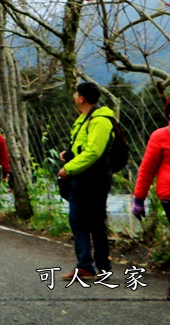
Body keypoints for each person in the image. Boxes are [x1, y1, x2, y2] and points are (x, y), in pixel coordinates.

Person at [56, 81, 115, 281]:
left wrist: (69, 168)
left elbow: (94, 151)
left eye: (76, 94)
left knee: (96, 223)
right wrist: (69, 154)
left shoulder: (100, 120)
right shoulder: (84, 119)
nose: (74, 97)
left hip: (95, 178)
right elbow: (82, 147)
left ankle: (103, 266)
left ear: (82, 97)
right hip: (81, 177)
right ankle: (85, 266)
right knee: (77, 220)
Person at [131, 96, 170, 300]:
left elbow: (146, 169)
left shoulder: (160, 135)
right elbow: (146, 169)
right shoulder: (160, 136)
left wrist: (139, 199)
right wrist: (139, 198)